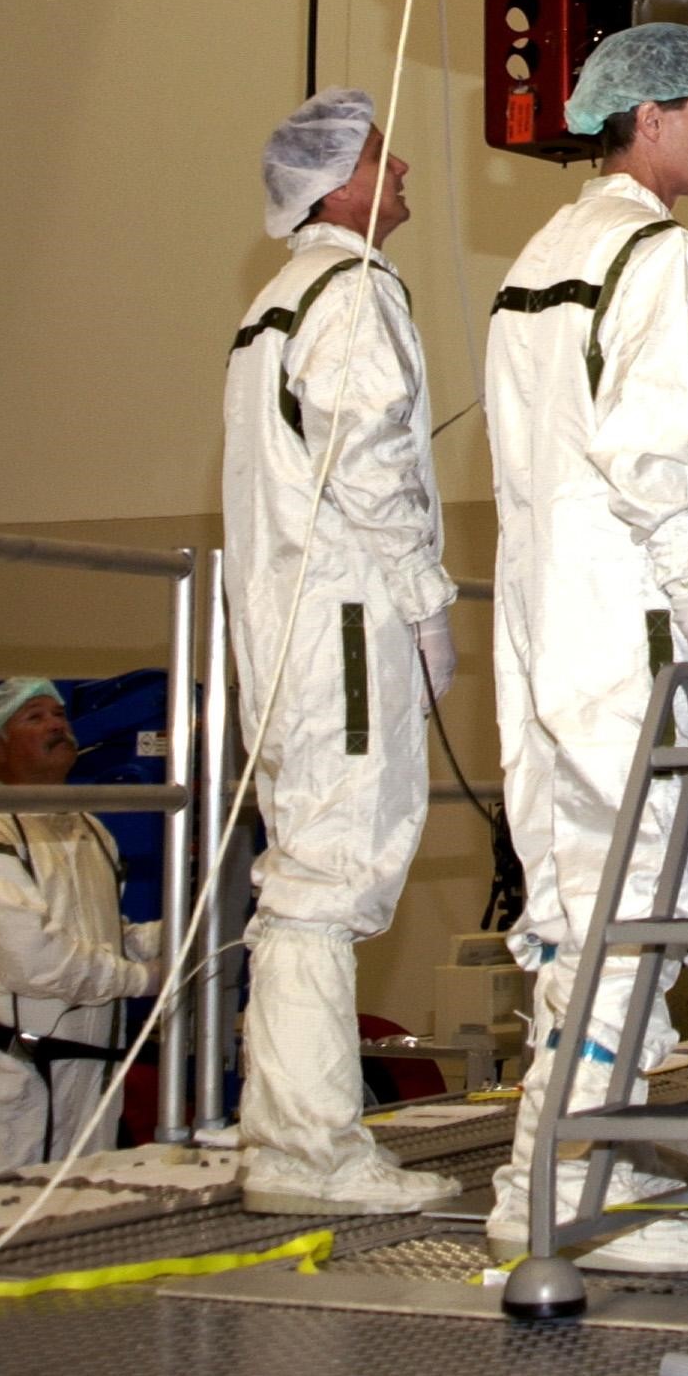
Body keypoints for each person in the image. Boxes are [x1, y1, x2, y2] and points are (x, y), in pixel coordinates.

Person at [484, 22, 688, 1266]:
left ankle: (550, 1183)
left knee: (576, 895)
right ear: (647, 120)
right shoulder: (659, 250)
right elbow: (652, 454)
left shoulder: (546, 252)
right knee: (633, 898)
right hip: (630, 610)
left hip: (542, 616)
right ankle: (572, 1199)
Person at [222, 90, 461, 1217]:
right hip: (345, 622)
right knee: (331, 880)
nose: (404, 165)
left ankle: (288, 1137)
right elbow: (366, 456)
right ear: (336, 185)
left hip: (287, 631)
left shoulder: (276, 302)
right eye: (381, 155)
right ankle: (310, 1150)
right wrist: (423, 604)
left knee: (303, 878)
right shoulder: (352, 288)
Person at [0, 679, 160, 1171]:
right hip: (18, 1077)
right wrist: (145, 979)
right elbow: (31, 957)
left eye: (60, 716)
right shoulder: (3, 828)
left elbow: (110, 934)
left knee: (78, 1214)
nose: (56, 725)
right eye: (35, 717)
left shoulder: (90, 827)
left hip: (89, 1076)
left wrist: (190, 930)